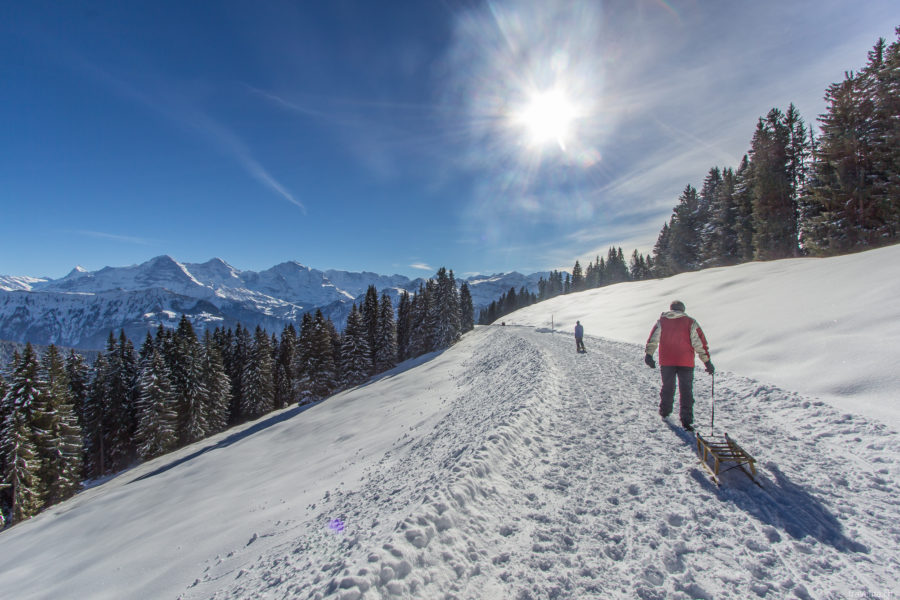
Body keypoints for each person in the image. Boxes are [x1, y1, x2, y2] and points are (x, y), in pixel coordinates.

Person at [643, 300, 714, 432]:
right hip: (685, 362)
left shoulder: (662, 321)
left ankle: (665, 412)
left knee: (668, 387)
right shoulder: (691, 322)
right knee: (686, 391)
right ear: (683, 309)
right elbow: (700, 343)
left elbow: (653, 338)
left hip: (667, 361)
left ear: (671, 309)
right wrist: (707, 362)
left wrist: (649, 355)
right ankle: (686, 421)